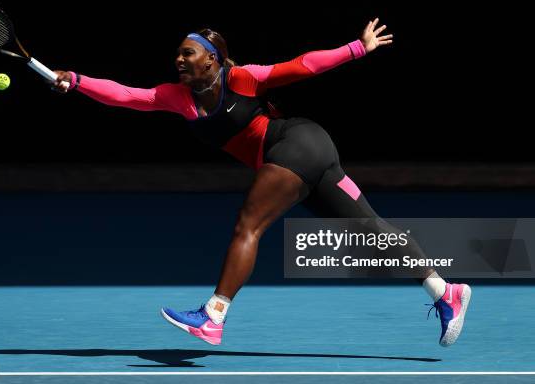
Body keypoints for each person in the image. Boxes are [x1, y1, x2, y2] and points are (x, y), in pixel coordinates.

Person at [52, 18, 471, 347]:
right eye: (177, 54)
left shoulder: (242, 78)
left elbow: (302, 65)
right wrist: (77, 80)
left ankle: (213, 315)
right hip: (306, 161)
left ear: (213, 59)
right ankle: (444, 292)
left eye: (188, 53)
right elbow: (124, 95)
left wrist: (358, 47)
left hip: (299, 144)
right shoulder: (176, 97)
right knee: (371, 232)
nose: (178, 60)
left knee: (249, 224)